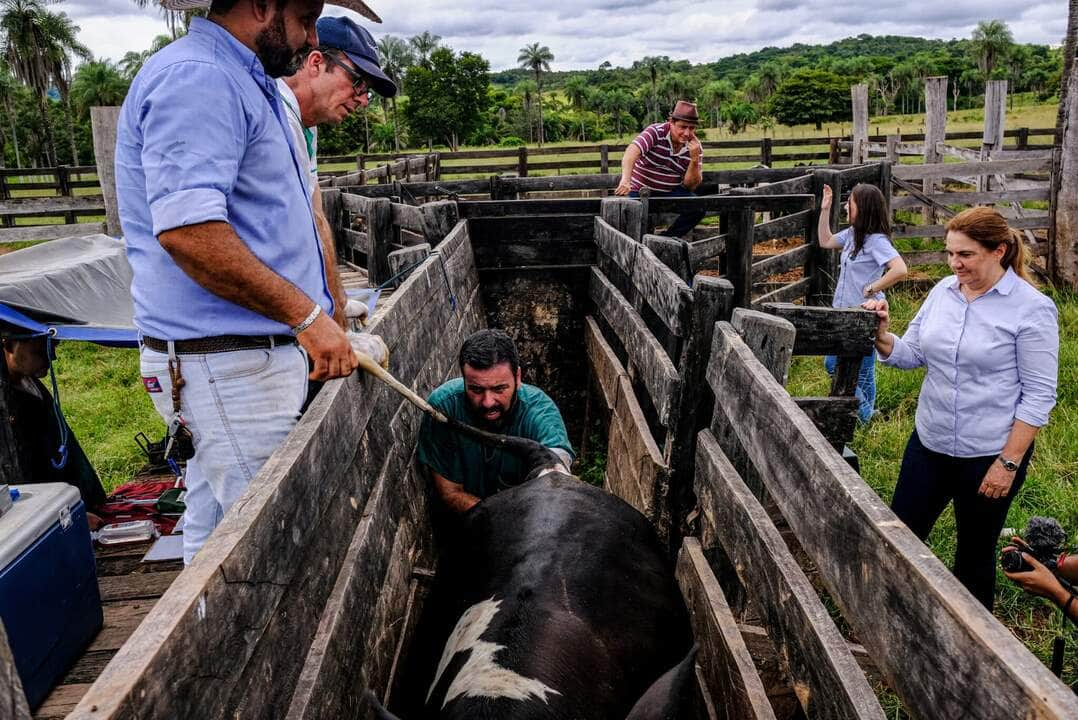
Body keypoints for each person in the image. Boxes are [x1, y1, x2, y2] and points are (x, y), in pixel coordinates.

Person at [120, 0, 386, 564]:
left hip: (237, 359)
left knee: (216, 530)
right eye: (306, 15)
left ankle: (196, 650)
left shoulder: (247, 81)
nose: (311, 35)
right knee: (269, 550)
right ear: (265, 5)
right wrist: (309, 318)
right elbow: (189, 231)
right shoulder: (201, 78)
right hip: (228, 362)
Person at [865, 207, 1059, 609]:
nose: (955, 263)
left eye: (966, 254)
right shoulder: (942, 292)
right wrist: (883, 336)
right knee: (901, 536)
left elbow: (1039, 395)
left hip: (988, 454)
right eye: (950, 253)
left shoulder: (1031, 308)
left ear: (998, 251)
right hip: (930, 443)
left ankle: (974, 655)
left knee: (973, 554)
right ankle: (892, 618)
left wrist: (1008, 463)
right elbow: (913, 352)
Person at [278, 14, 397, 327]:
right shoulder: (274, 116)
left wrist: (336, 301)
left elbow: (315, 214)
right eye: (358, 82)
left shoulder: (307, 125)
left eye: (367, 91)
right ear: (316, 63)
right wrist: (316, 318)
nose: (362, 100)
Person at [417, 330, 574, 513]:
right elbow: (450, 493)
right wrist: (499, 521)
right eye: (476, 389)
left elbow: (557, 468)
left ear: (518, 378)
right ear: (464, 380)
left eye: (499, 388)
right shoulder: (444, 408)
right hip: (468, 522)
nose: (488, 402)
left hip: (529, 522)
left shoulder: (539, 411)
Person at [818, 183, 907, 423]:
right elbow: (825, 241)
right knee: (858, 370)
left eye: (851, 202)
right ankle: (867, 415)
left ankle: (865, 415)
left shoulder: (876, 241)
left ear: (864, 207)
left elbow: (900, 269)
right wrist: (825, 208)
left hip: (864, 314)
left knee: (848, 367)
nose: (847, 205)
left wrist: (872, 288)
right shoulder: (851, 235)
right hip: (843, 312)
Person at [1, 325, 106, 525]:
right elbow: (15, 484)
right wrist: (66, 515)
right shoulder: (4, 405)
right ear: (8, 346)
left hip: (66, 500)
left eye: (52, 348)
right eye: (39, 352)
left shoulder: (29, 384)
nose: (51, 358)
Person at [614, 100, 705, 239]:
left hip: (671, 192)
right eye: (682, 127)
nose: (687, 133)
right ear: (671, 122)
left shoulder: (695, 147)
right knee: (628, 213)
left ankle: (665, 240)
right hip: (639, 190)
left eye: (691, 128)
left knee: (698, 207)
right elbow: (631, 152)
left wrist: (694, 160)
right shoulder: (655, 132)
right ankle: (635, 245)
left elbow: (689, 185)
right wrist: (626, 179)